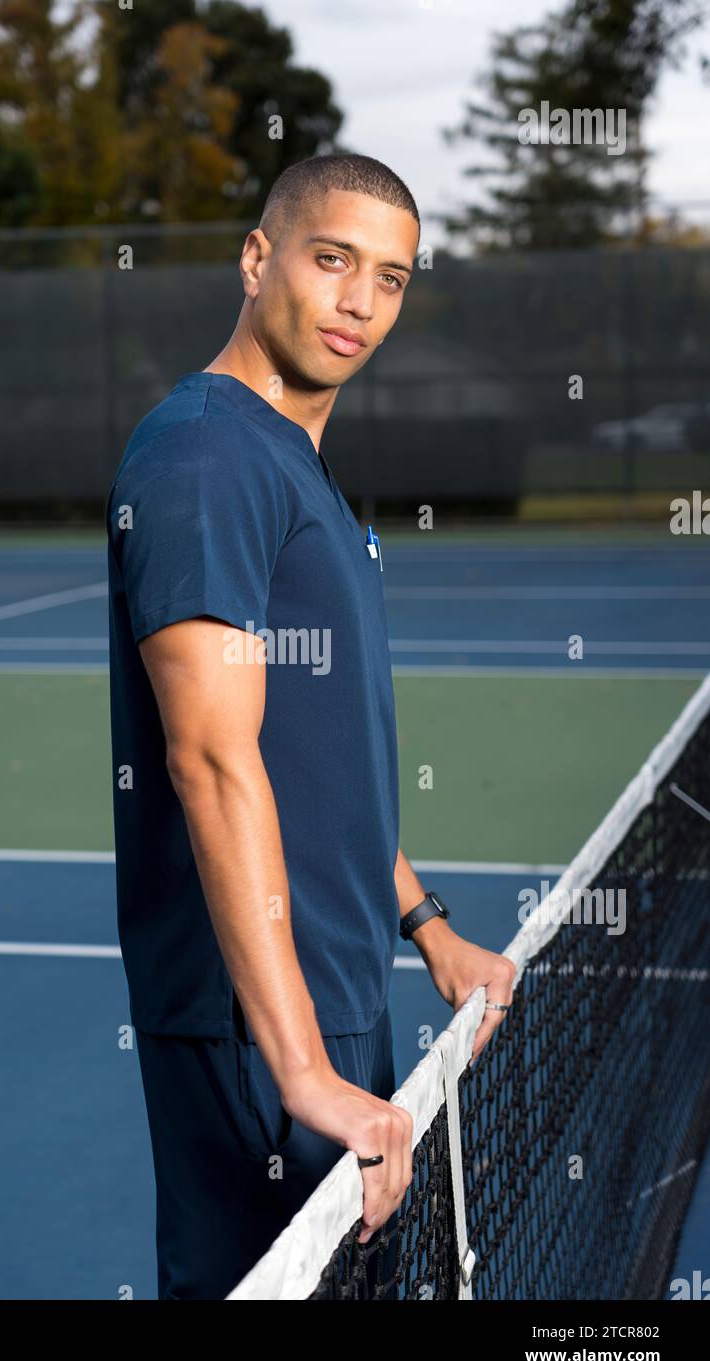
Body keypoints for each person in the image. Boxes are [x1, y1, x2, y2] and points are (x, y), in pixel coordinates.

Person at [106, 153, 516, 1300]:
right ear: (256, 258)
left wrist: (424, 924)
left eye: (388, 278)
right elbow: (210, 756)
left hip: (328, 989)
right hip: (259, 1025)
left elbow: (315, 759)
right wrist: (296, 1064)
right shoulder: (206, 454)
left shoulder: (298, 469)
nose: (358, 302)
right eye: (330, 259)